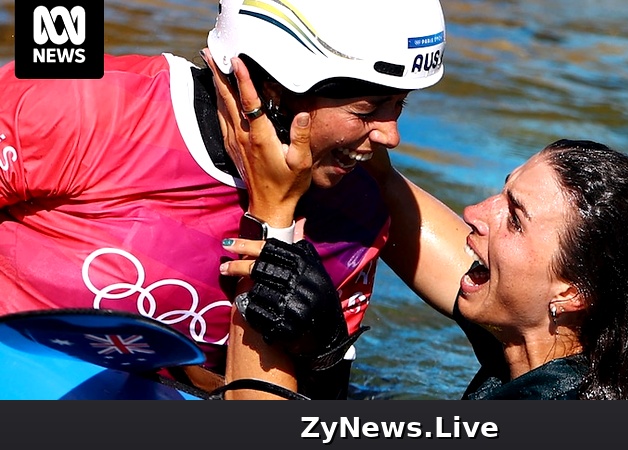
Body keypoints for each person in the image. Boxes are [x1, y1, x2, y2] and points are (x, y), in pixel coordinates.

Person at [0, 0, 447, 399]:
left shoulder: (356, 216)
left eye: (400, 105)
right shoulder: (80, 106)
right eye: (366, 111)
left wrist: (323, 349)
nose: (392, 136)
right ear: (270, 87)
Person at [218, 88, 628, 399]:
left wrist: (272, 215)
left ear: (571, 293)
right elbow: (394, 199)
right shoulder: (566, 350)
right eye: (501, 193)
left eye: (515, 219)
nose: (474, 213)